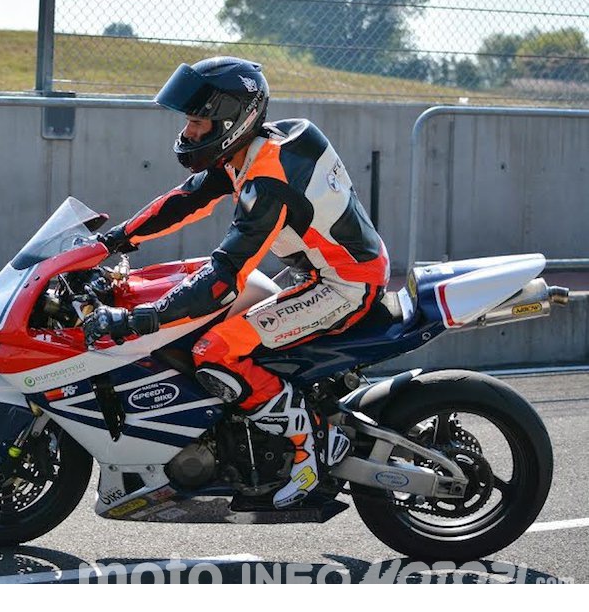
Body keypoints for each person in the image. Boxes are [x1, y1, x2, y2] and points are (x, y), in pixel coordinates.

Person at [82, 56, 390, 508]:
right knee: (212, 329)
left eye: (197, 122)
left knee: (217, 350)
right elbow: (185, 200)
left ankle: (308, 452)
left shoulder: (267, 183)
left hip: (344, 284)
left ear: (232, 120)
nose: (188, 134)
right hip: (318, 269)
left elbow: (224, 276)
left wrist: (141, 318)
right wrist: (112, 241)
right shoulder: (259, 145)